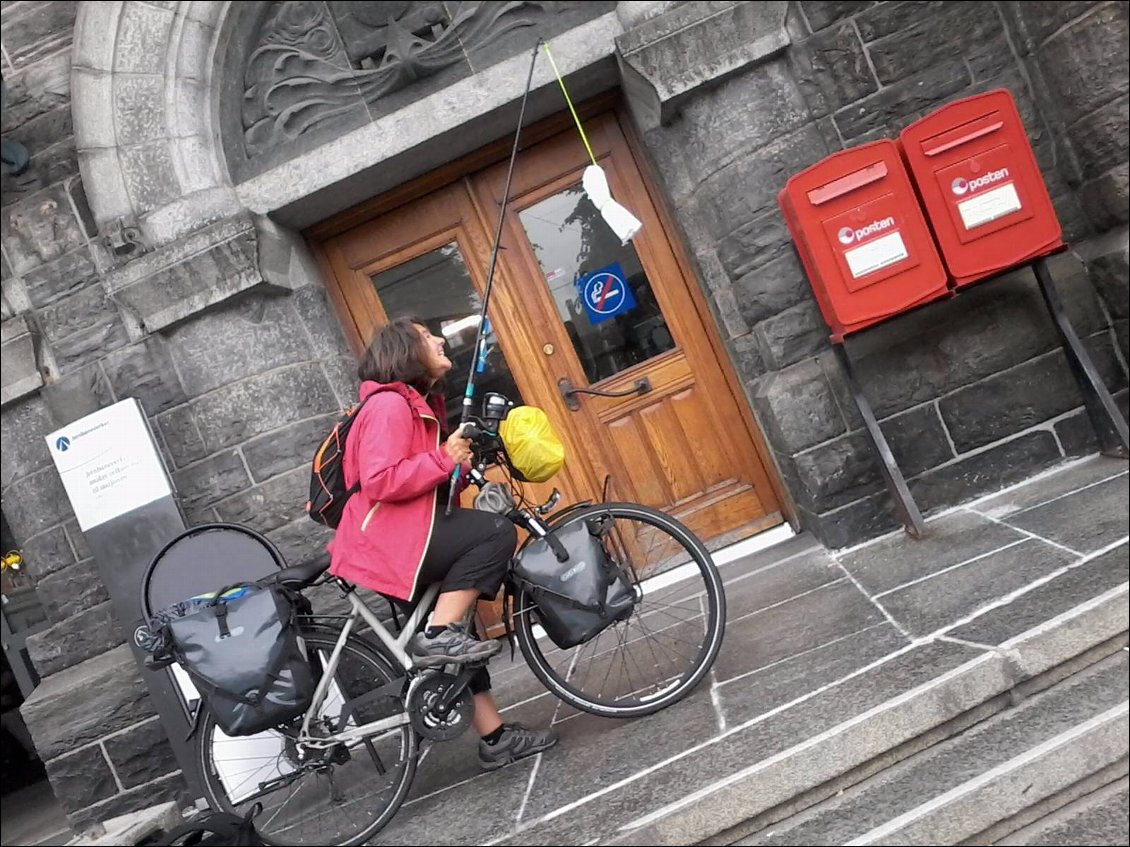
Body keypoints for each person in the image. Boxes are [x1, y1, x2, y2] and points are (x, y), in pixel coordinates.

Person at [327, 316, 558, 770]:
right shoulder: (389, 406)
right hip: (388, 543)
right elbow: (380, 480)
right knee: (492, 534)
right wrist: (441, 458)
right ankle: (435, 635)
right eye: (426, 336)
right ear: (406, 353)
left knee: (461, 626)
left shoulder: (414, 404)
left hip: (405, 536)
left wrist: (453, 462)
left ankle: (494, 739)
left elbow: (418, 478)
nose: (438, 339)